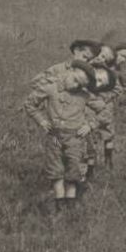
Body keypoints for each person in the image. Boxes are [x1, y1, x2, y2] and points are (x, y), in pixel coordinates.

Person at [24, 61, 98, 211]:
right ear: (70, 70)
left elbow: (103, 111)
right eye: (75, 80)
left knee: (74, 166)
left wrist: (90, 125)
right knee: (55, 167)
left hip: (75, 137)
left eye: (80, 84)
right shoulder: (51, 88)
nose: (75, 85)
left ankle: (70, 204)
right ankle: (59, 203)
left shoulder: (84, 96)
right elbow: (30, 104)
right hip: (55, 137)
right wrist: (42, 121)